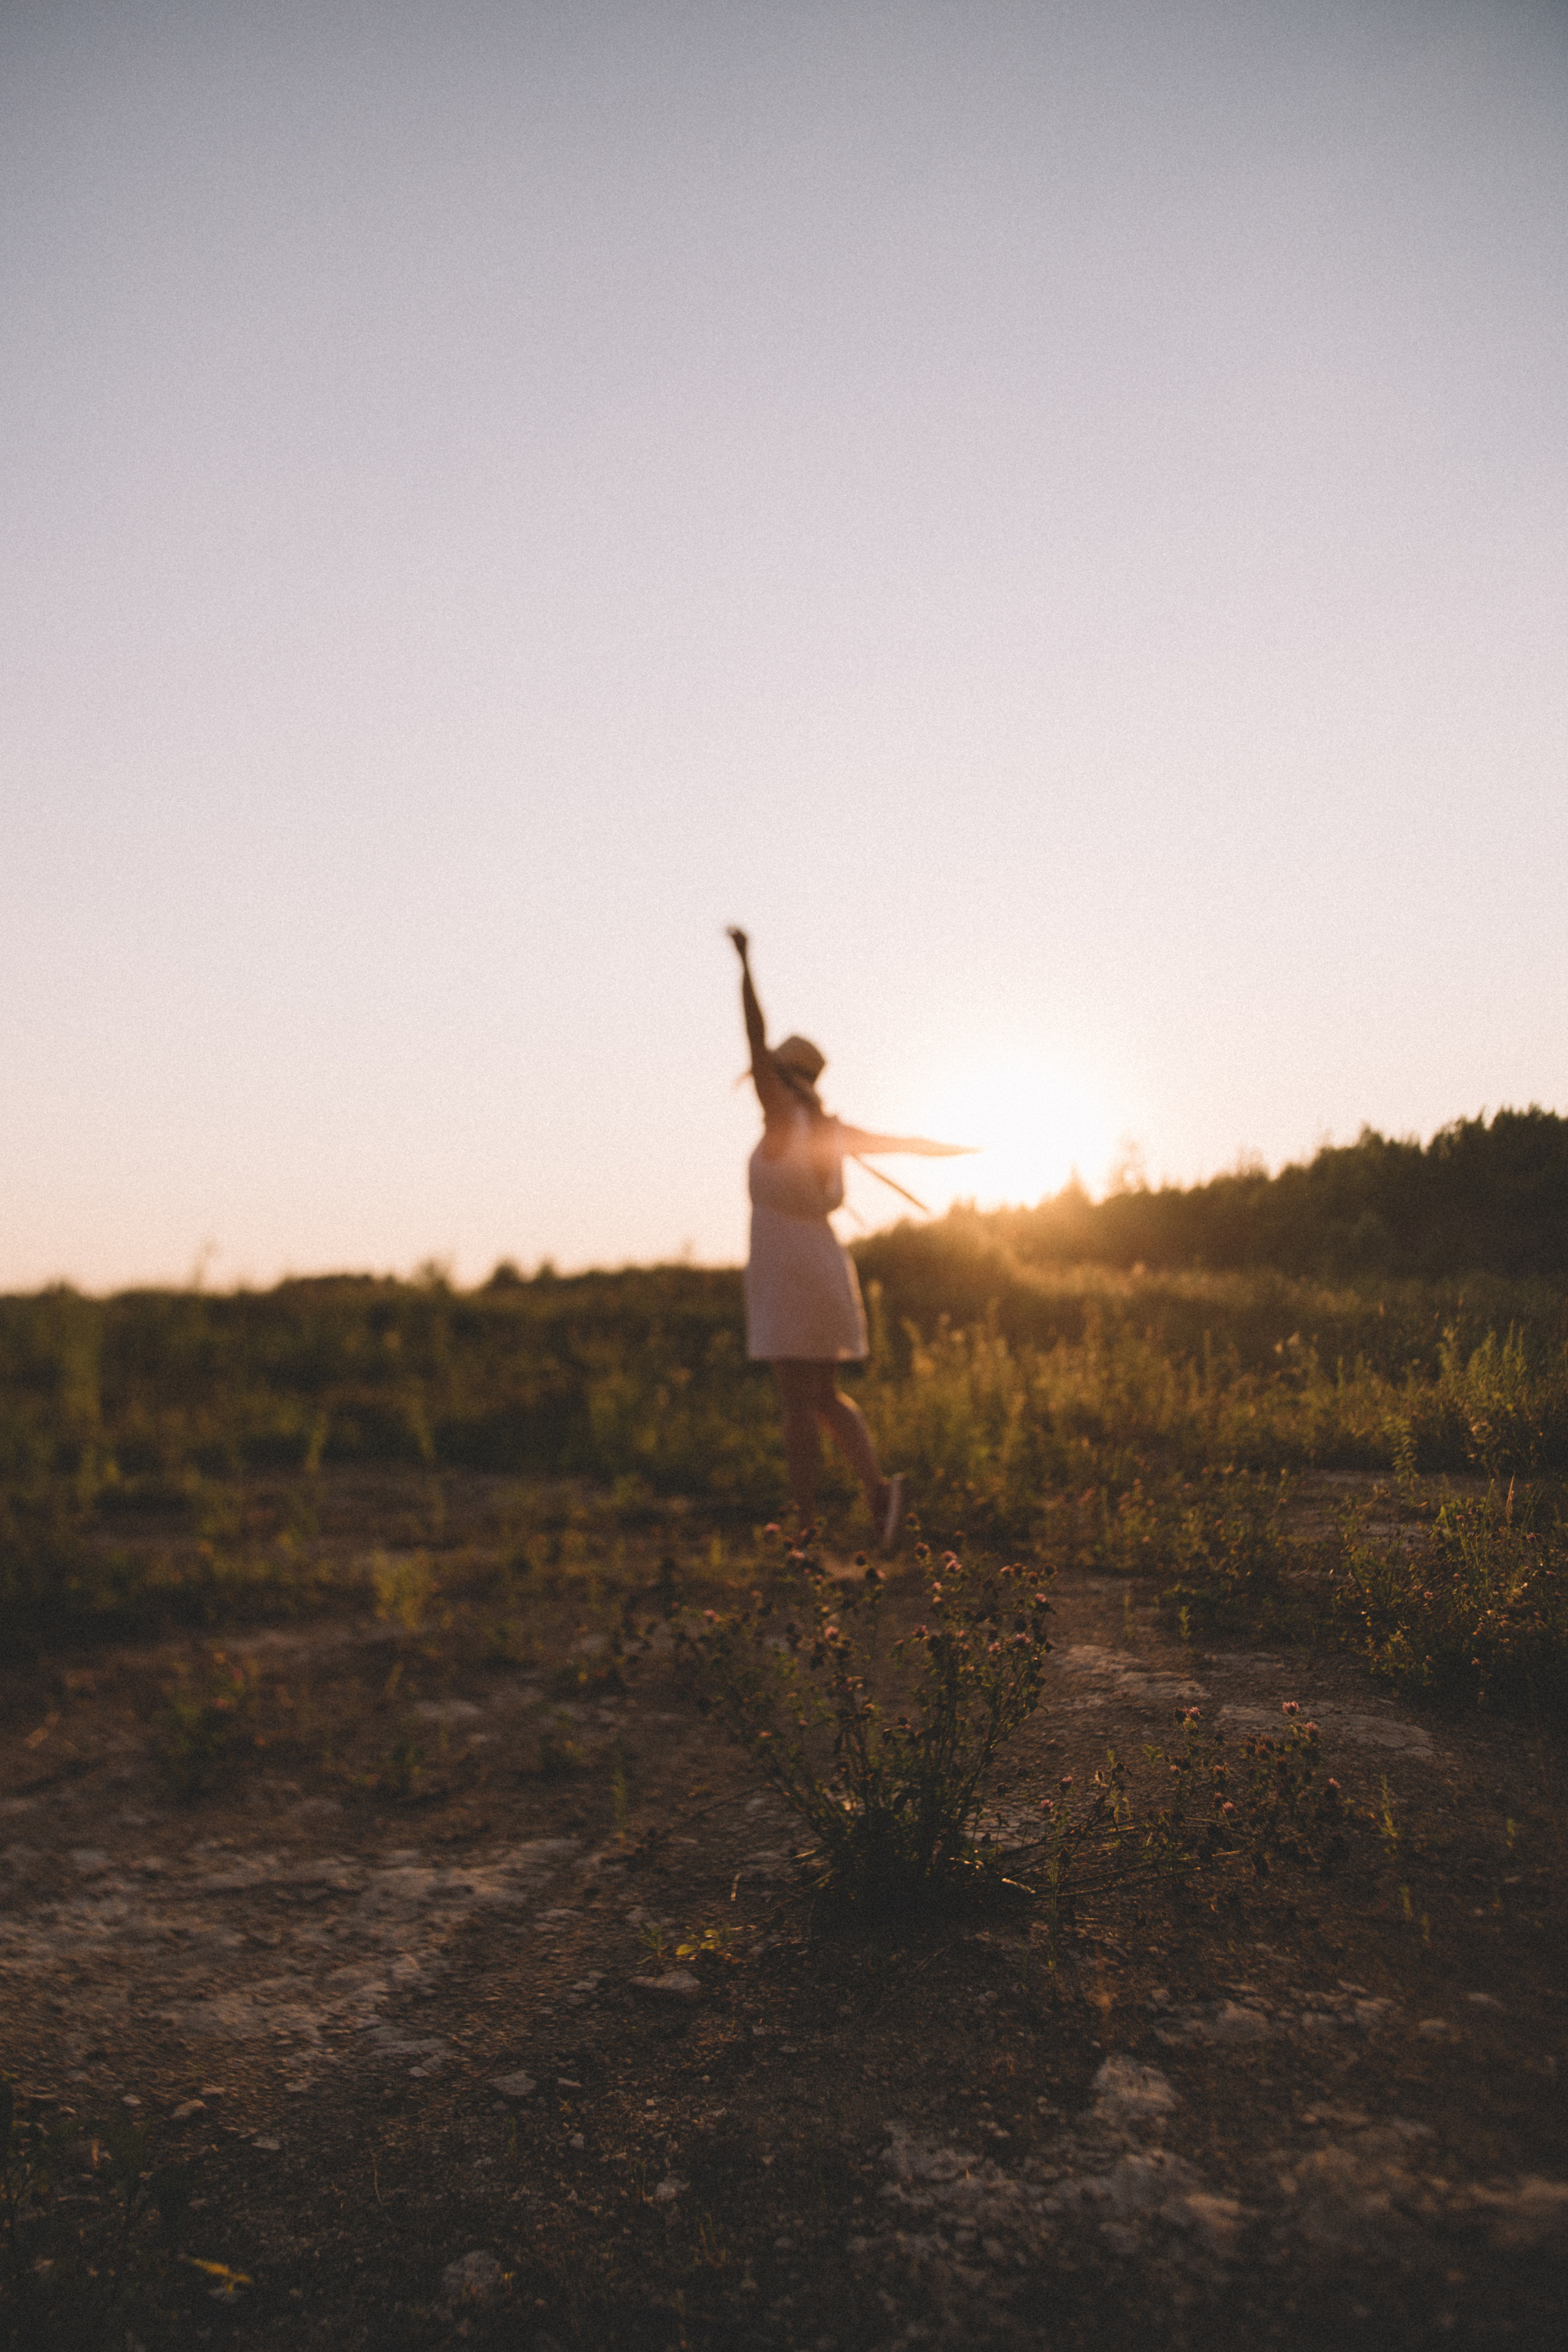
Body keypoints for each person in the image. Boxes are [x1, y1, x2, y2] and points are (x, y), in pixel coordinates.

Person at [728, 927, 974, 1549]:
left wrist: (746, 964)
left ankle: (806, 1528)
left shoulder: (782, 1117)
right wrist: (971, 1146)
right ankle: (879, 1494)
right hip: (822, 1263)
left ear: (782, 1078)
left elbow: (753, 1037)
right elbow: (908, 1145)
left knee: (796, 1405)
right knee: (827, 1397)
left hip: (786, 1268)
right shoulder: (832, 1131)